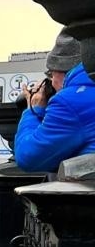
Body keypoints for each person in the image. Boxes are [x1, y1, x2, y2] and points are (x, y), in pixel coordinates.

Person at [15, 30, 95, 173]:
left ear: (61, 69)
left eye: (51, 74)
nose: (52, 83)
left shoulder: (70, 102)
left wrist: (33, 111)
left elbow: (28, 158)